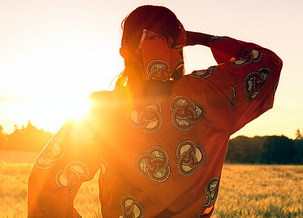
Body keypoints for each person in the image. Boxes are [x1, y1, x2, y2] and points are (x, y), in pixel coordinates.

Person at [27, 5, 282, 217]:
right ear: (178, 49)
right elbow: (267, 63)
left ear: (124, 52)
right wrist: (204, 40)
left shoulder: (101, 112)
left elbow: (46, 185)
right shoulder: (212, 94)